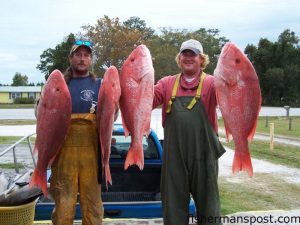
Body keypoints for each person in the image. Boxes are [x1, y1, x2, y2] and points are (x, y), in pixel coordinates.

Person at [153, 39, 226, 225]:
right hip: (174, 156)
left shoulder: (213, 83)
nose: (188, 58)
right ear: (179, 58)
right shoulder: (166, 83)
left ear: (201, 59)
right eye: (184, 54)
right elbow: (145, 100)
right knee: (173, 208)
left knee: (209, 208)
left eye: (193, 54)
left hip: (204, 155)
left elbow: (232, 97)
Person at [49, 40, 103, 225]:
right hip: (63, 154)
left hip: (92, 154)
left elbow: (111, 115)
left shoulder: (100, 84)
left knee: (93, 204)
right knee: (64, 203)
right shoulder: (58, 84)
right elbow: (42, 113)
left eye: (86, 55)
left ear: (91, 59)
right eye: (78, 54)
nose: (82, 59)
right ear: (70, 58)